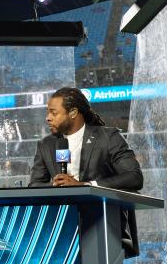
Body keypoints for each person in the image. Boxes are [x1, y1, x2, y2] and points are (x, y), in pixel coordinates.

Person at [29, 87, 143, 254]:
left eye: (54, 113)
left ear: (73, 112)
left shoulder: (108, 137)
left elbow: (134, 177)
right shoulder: (46, 145)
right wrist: (54, 187)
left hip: (103, 226)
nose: (48, 118)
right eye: (48, 113)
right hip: (62, 232)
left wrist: (86, 185)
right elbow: (34, 185)